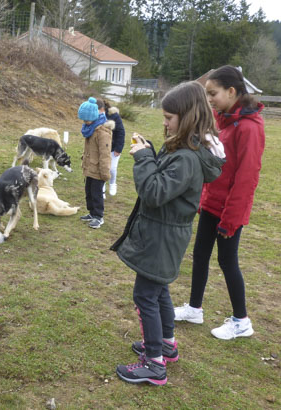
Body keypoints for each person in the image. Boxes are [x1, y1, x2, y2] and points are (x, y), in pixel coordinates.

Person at [110, 82, 225, 385]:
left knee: (144, 295)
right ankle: (166, 345)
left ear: (187, 118)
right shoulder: (186, 150)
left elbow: (154, 191)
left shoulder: (187, 158)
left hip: (162, 236)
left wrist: (144, 158)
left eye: (169, 118)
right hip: (166, 233)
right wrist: (151, 152)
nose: (164, 122)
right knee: (159, 289)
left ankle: (154, 363)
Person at [174, 65, 265, 340]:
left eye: (213, 93)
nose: (210, 98)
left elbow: (246, 178)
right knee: (200, 255)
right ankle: (194, 308)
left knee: (227, 261)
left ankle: (241, 320)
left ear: (232, 91)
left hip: (230, 211)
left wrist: (231, 219)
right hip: (212, 203)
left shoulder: (249, 128)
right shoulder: (223, 120)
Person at [77, 97, 113, 229]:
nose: (85, 122)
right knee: (89, 192)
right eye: (83, 120)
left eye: (86, 120)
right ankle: (92, 213)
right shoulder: (90, 128)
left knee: (97, 193)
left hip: (98, 170)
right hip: (90, 167)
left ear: (93, 116)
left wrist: (105, 172)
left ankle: (99, 216)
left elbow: (105, 154)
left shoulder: (102, 132)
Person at [102, 99, 125, 197]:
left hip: (113, 147)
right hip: (102, 147)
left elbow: (121, 132)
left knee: (112, 168)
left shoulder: (114, 116)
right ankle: (101, 188)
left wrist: (118, 148)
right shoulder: (95, 116)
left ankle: (112, 183)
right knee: (102, 168)